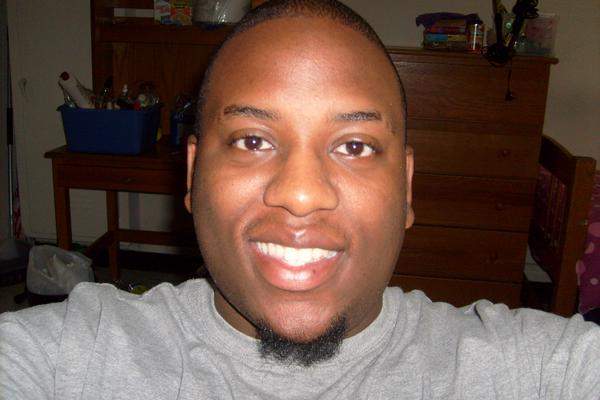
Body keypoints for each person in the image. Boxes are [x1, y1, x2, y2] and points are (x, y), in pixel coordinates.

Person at [1, 0, 599, 398]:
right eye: (253, 140)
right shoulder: (67, 361)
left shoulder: (533, 372)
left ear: (407, 187)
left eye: (355, 146)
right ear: (193, 175)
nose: (302, 194)